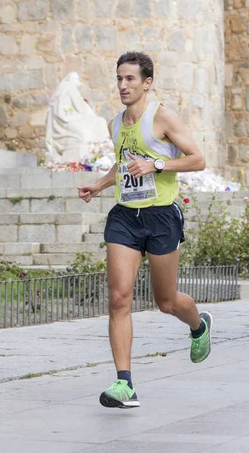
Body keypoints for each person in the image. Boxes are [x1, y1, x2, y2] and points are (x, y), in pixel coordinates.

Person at [78, 51, 213, 409]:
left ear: (147, 83)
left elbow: (198, 159)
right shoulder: (115, 124)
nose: (122, 85)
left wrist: (156, 164)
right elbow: (124, 167)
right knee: (118, 297)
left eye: (130, 79)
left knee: (166, 301)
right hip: (125, 216)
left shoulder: (163, 117)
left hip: (161, 217)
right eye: (119, 79)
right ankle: (125, 384)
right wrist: (100, 185)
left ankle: (198, 325)